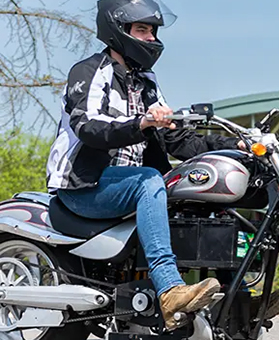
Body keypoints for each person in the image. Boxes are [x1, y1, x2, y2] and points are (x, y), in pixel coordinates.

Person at [45, 0, 245, 332]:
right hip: (85, 187)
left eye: (152, 31)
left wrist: (232, 146)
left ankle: (235, 293)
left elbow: (178, 139)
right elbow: (89, 127)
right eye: (142, 30)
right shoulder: (91, 71)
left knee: (196, 190)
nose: (151, 38)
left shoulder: (147, 82)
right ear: (118, 31)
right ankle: (169, 290)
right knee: (149, 180)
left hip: (124, 188)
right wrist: (141, 122)